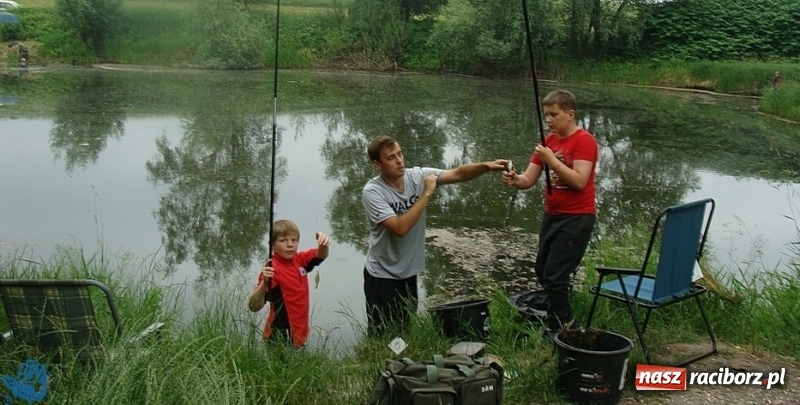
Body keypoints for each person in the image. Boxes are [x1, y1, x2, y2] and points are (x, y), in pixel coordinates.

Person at [362, 134, 508, 335]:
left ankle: (404, 364)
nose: (399, 161)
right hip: (382, 275)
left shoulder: (416, 176)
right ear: (377, 164)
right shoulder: (373, 191)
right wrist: (427, 194)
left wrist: (487, 166)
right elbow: (399, 228)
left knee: (405, 331)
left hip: (408, 273)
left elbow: (457, 174)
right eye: (391, 158)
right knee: (383, 335)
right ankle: (379, 365)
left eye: (400, 154)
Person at [502, 89, 597, 335]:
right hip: (553, 214)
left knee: (556, 275)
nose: (550, 120)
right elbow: (528, 180)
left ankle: (565, 325)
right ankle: (559, 317)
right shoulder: (548, 143)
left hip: (578, 217)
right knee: (543, 271)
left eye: (554, 115)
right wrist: (514, 179)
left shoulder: (584, 141)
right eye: (547, 115)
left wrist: (552, 161)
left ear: (570, 114)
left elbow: (579, 181)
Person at [248, 219, 330, 347]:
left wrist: (323, 244)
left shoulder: (299, 260)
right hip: (279, 336)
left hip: (300, 334)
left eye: (294, 240)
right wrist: (264, 283)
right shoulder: (271, 269)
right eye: (283, 241)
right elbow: (254, 306)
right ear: (272, 245)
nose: (290, 244)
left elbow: (320, 255)